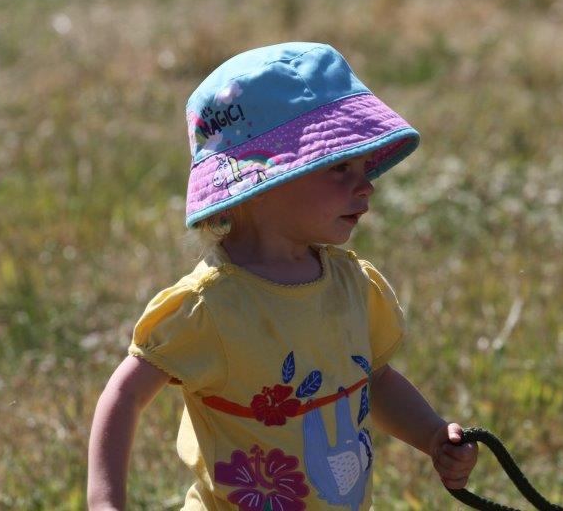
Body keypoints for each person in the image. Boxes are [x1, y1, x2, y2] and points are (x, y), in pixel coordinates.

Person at [88, 42, 478, 511]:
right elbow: (125, 395)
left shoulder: (351, 284)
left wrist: (432, 434)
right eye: (340, 167)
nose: (366, 185)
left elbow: (374, 380)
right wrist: (105, 501)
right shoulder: (211, 306)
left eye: (363, 165)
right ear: (262, 181)